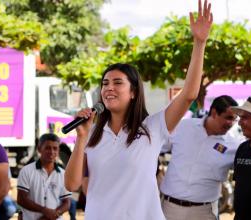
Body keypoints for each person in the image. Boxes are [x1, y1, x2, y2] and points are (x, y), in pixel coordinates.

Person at [64, 0, 213, 219]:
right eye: (105, 83)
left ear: (133, 92)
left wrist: (199, 43)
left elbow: (189, 94)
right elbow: (71, 183)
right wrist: (81, 138)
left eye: (117, 83)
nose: (109, 88)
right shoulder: (91, 133)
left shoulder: (152, 127)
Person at [160, 95, 241, 220]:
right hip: (170, 209)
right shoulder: (183, 127)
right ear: (214, 113)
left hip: (204, 212)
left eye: (234, 119)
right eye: (228, 118)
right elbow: (157, 149)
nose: (231, 123)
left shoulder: (234, 146)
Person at [17, 133, 71, 220]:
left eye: (55, 148)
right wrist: (44, 211)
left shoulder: (63, 174)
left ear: (58, 150)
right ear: (39, 149)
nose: (52, 152)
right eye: (47, 148)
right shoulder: (26, 171)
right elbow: (21, 199)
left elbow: (67, 202)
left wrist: (55, 214)